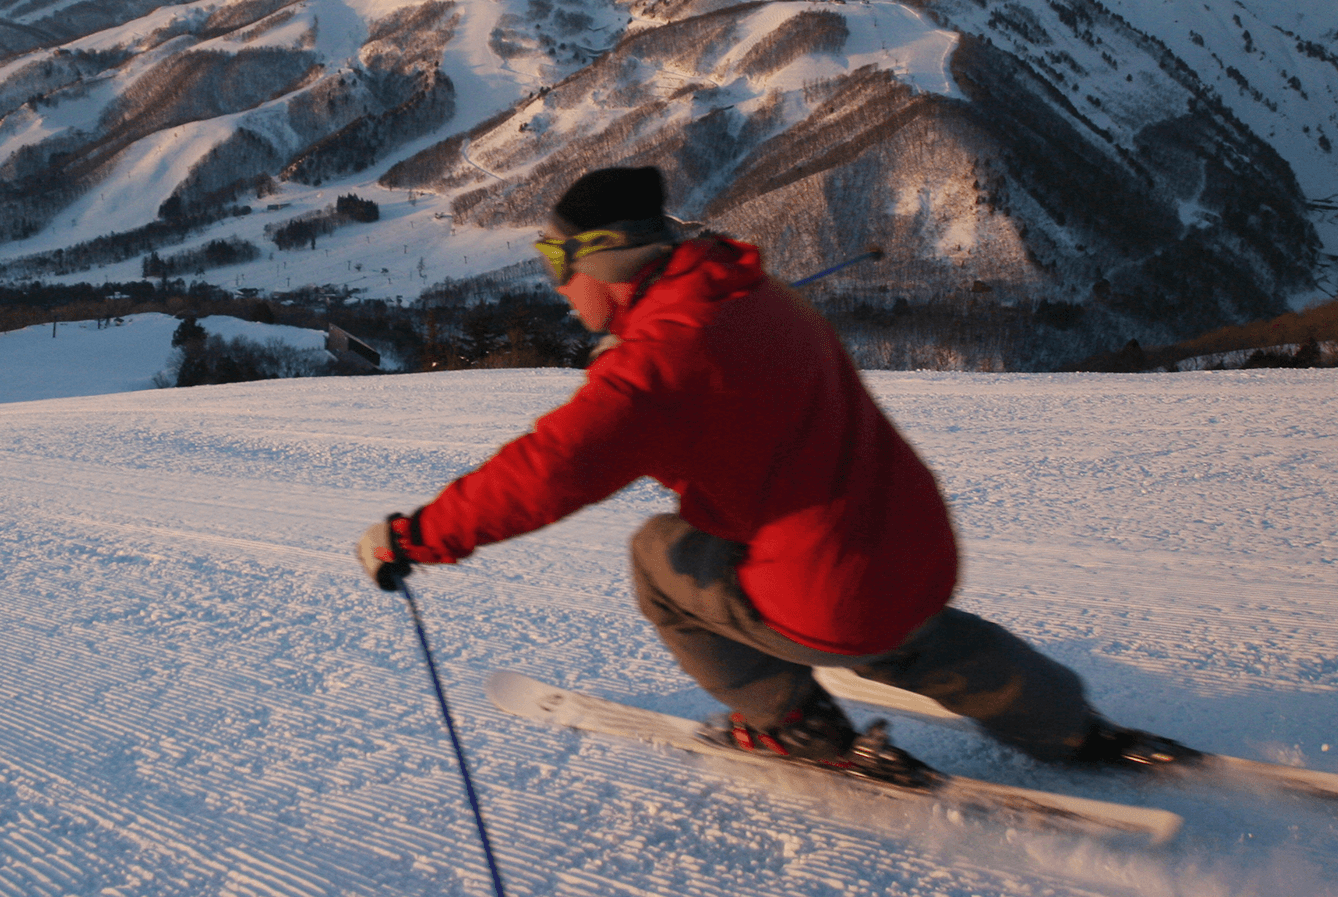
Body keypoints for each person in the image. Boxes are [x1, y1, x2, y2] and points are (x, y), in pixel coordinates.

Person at [357, 165, 1196, 777]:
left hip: (833, 591)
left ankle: (793, 724)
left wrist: (415, 536)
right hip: (918, 548)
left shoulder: (656, 370)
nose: (554, 284)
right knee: (915, 636)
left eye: (554, 260)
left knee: (659, 556)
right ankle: (1073, 728)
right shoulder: (750, 292)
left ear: (605, 263)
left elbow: (545, 473)